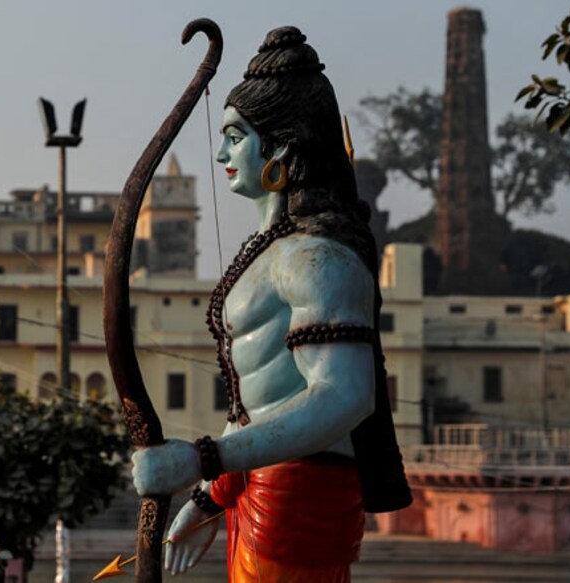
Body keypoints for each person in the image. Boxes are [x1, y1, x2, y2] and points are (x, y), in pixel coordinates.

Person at [131, 26, 410, 582]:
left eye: (235, 136)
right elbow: (261, 398)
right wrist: (214, 494)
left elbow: (345, 395)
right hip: (257, 487)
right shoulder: (276, 252)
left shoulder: (319, 258)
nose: (221, 153)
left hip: (302, 496)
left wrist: (202, 460)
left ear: (280, 146)